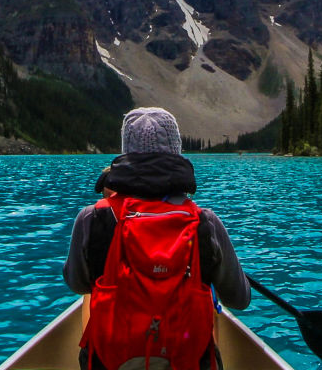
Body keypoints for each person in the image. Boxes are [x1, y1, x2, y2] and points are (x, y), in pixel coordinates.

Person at [64, 107, 250, 370]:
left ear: (125, 153)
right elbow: (239, 299)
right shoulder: (205, 223)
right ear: (176, 151)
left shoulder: (91, 218)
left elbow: (78, 284)